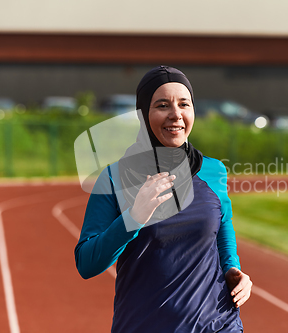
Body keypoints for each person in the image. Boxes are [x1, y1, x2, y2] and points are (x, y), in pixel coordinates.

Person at [75, 66, 252, 333]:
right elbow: (87, 263)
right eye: (162, 105)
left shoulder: (213, 170)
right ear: (143, 115)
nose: (176, 114)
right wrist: (133, 218)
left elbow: (222, 226)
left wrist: (232, 268)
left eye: (184, 104)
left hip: (218, 323)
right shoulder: (114, 178)